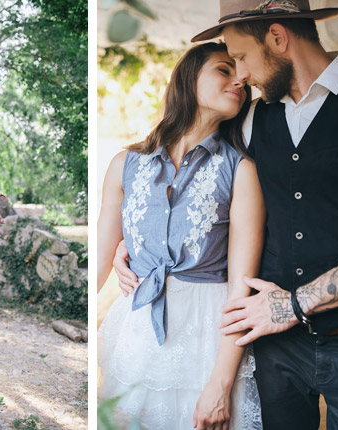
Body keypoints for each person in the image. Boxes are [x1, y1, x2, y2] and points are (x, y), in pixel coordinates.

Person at [115, 1, 338, 428]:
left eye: (240, 57)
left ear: (278, 39)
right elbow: (189, 190)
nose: (239, 75)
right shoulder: (251, 118)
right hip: (273, 350)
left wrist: (294, 305)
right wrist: (127, 245)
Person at [97, 42, 265, 429]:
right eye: (224, 70)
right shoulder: (124, 165)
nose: (239, 78)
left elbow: (241, 291)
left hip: (207, 342)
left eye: (239, 73)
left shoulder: (241, 171)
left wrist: (220, 386)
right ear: (188, 80)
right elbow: (99, 265)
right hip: (137, 334)